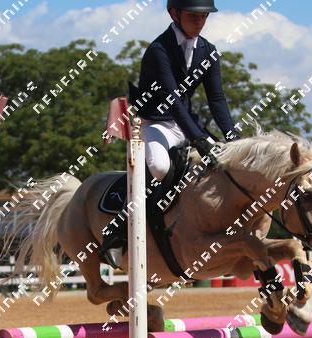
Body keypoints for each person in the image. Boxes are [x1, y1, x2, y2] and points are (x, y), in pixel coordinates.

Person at [100, 0, 239, 268]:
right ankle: (117, 231)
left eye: (204, 17)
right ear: (174, 13)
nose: (200, 22)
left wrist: (234, 138)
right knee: (160, 167)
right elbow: (172, 100)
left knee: (224, 166)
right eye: (193, 16)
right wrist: (198, 139)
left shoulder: (208, 51)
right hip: (154, 123)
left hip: (185, 124)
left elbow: (217, 99)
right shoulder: (158, 50)